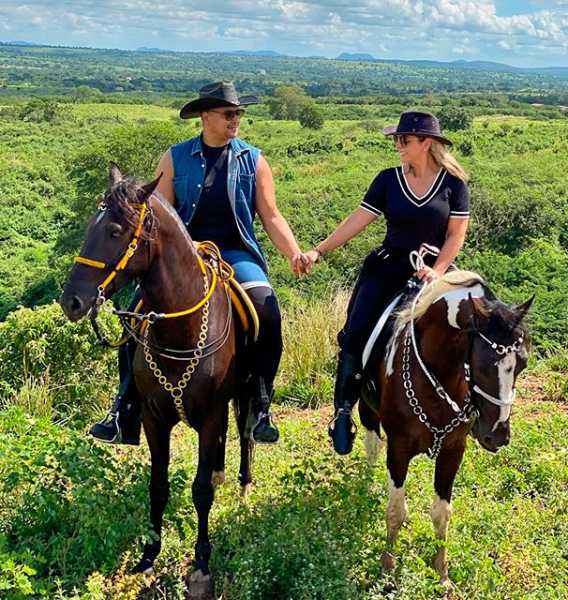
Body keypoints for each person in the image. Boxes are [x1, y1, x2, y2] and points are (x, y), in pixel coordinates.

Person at [91, 81, 308, 445]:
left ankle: (260, 403)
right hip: (182, 255)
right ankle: (124, 408)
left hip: (235, 253)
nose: (235, 119)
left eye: (238, 113)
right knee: (135, 317)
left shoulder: (253, 160)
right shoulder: (174, 158)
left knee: (266, 311)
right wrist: (182, 248)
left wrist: (294, 253)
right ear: (206, 116)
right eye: (228, 113)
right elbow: (157, 218)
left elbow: (270, 215)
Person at [304, 111, 471, 455]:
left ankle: (481, 408)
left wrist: (438, 270)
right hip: (389, 268)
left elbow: (456, 234)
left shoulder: (454, 184)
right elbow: (358, 220)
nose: (398, 146)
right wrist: (319, 250)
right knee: (356, 331)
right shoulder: (387, 180)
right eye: (397, 140)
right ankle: (342, 413)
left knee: (479, 328)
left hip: (436, 274)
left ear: (427, 144)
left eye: (404, 140)